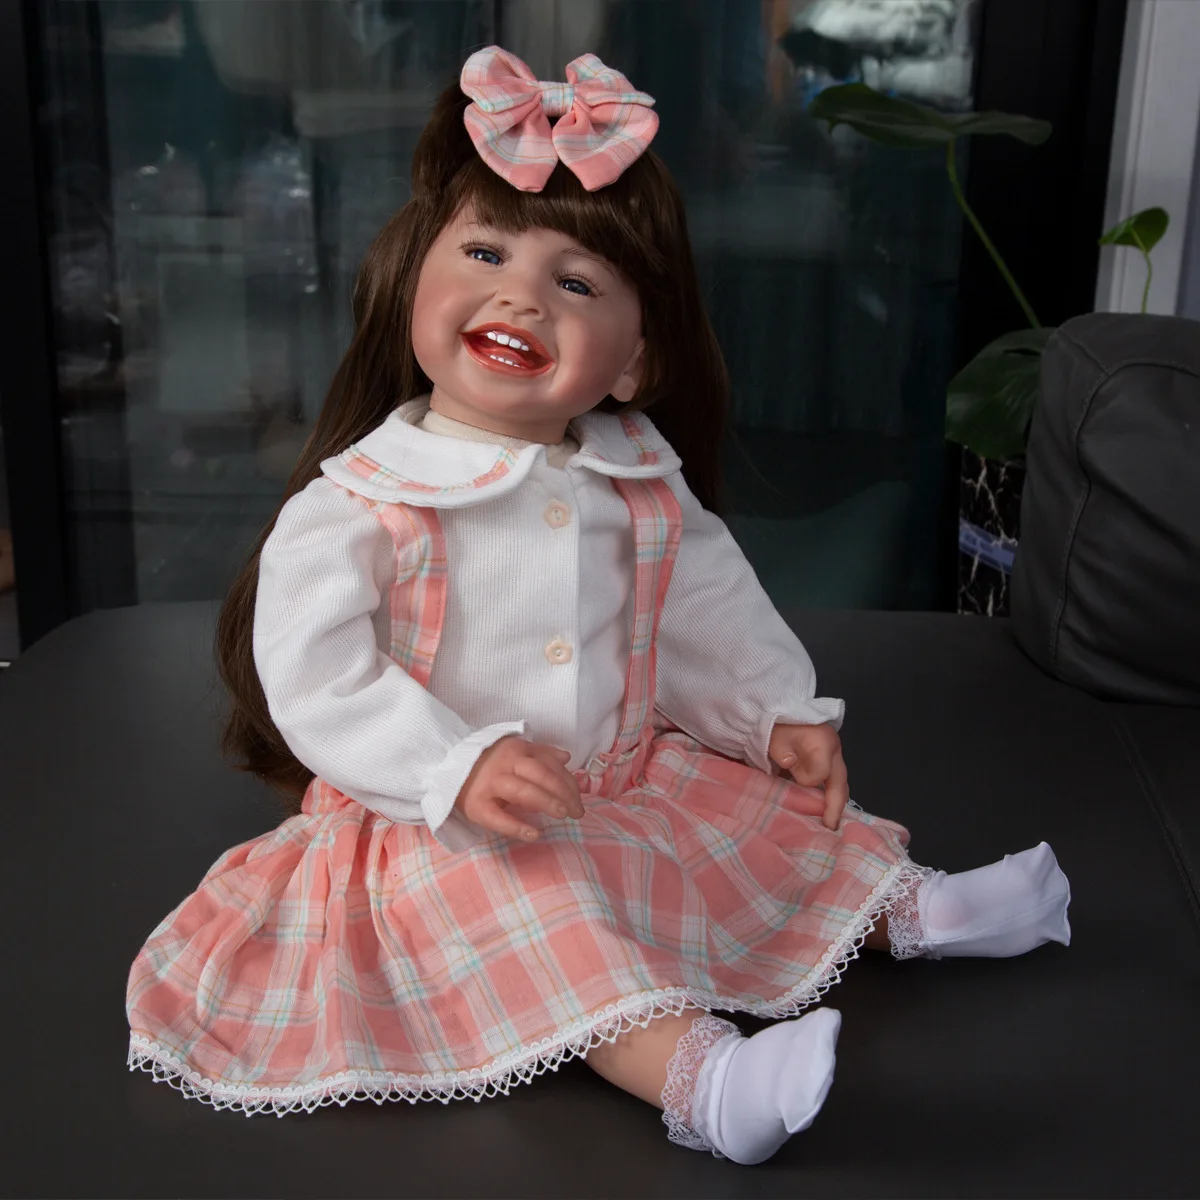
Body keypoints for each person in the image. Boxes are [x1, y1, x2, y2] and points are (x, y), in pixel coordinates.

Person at [125, 46, 1071, 1165]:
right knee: (561, 931)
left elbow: (705, 615)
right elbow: (318, 675)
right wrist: (450, 766)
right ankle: (705, 1081)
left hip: (624, 780)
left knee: (773, 828)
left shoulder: (638, 479)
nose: (521, 295)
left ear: (631, 364)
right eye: (484, 252)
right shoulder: (364, 503)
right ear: (412, 280)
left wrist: (773, 712)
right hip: (447, 825)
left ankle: (912, 908)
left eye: (577, 283)